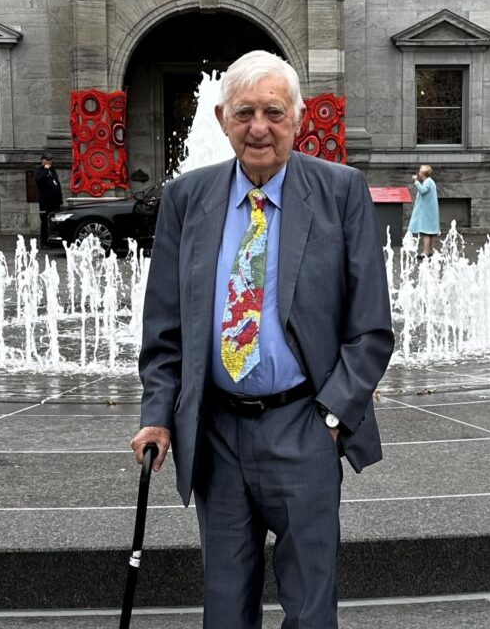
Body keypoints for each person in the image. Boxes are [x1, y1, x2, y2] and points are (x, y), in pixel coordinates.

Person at [130, 50, 394, 629]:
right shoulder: (186, 199)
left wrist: (331, 419)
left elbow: (371, 327)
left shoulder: (340, 191)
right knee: (225, 607)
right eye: (244, 112)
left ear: (297, 118)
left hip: (304, 425)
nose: (259, 127)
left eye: (273, 112)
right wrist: (158, 415)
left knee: (309, 606)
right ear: (222, 118)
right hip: (217, 435)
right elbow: (164, 328)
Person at [407, 164, 439, 259]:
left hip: (427, 211)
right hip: (431, 211)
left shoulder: (427, 182)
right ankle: (431, 251)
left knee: (425, 232)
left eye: (420, 171)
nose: (418, 173)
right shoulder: (430, 182)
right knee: (431, 232)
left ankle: (425, 252)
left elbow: (422, 190)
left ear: (423, 174)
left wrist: (416, 182)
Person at [34, 152, 63, 247]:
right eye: (47, 159)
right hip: (45, 202)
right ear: (43, 160)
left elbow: (57, 184)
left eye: (50, 160)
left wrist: (60, 199)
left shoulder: (52, 170)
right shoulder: (39, 170)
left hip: (55, 201)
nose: (50, 161)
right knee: (45, 221)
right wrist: (45, 169)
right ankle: (44, 242)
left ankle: (54, 241)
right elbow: (39, 180)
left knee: (55, 221)